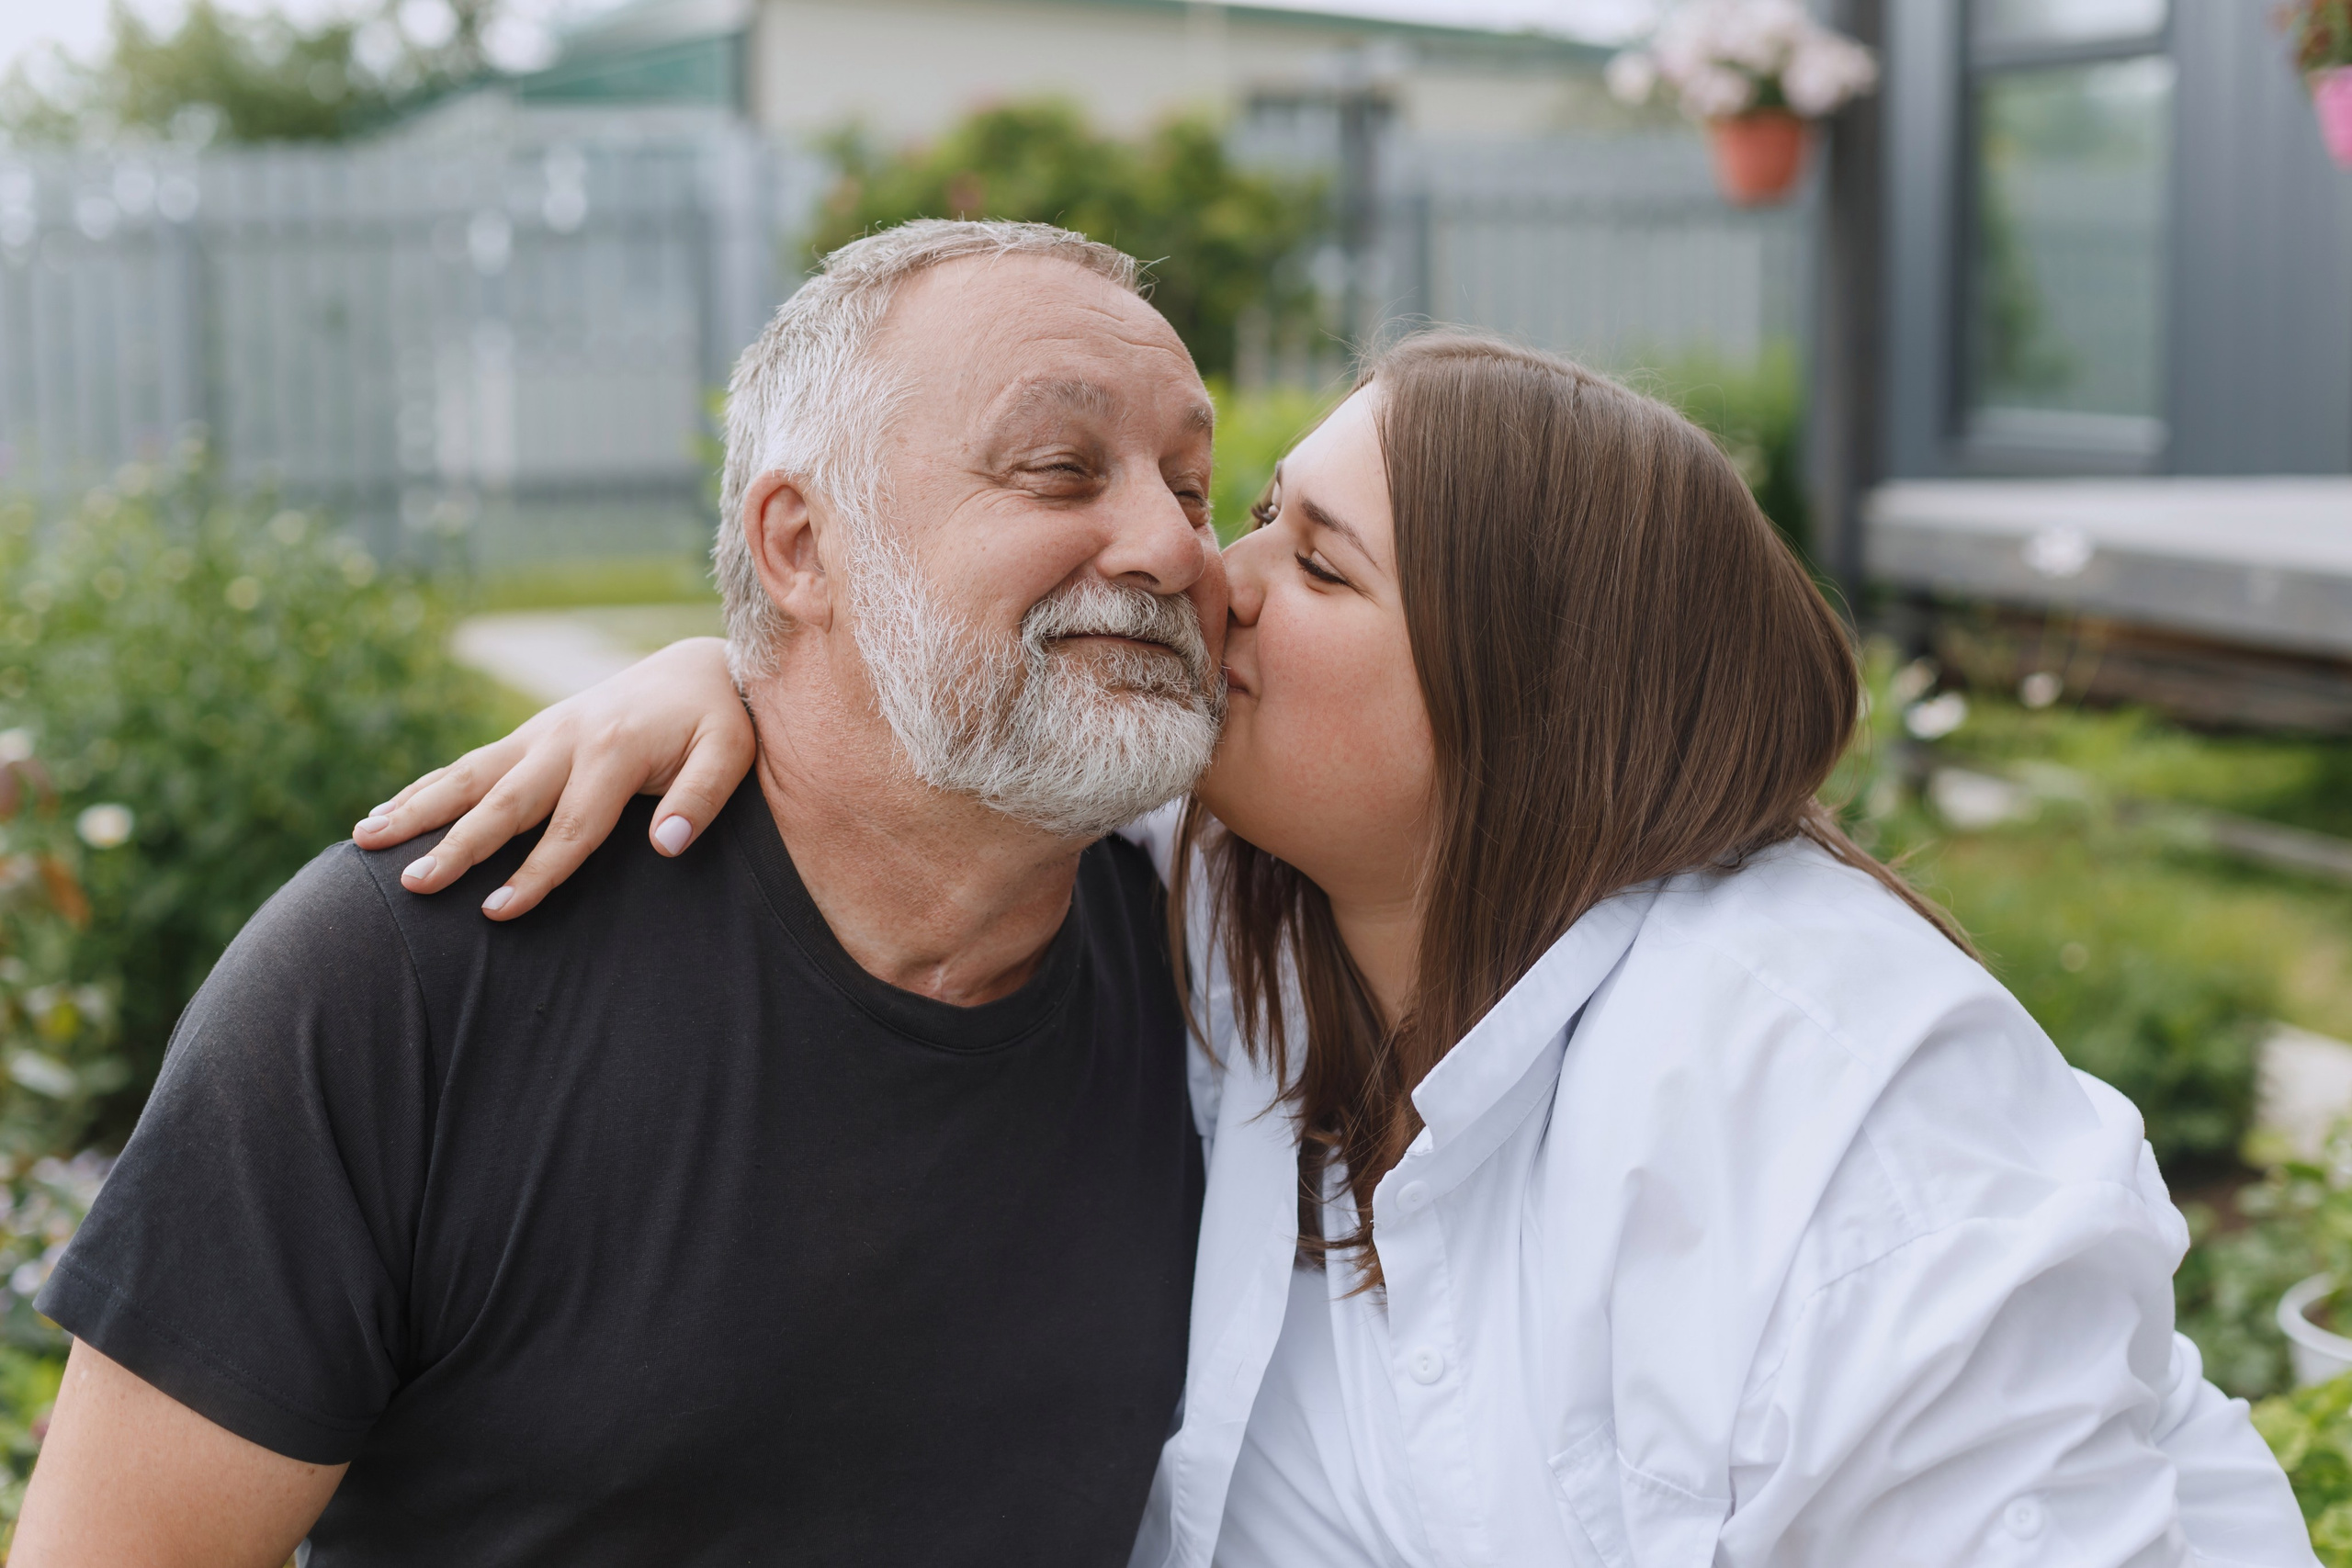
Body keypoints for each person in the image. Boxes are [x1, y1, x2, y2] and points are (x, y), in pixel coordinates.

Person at [375, 333, 2321, 1566]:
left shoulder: (1838, 1107)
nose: (1190, 574)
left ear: (1528, 703)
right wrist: (722, 674)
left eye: (1308, 560)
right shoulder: (1246, 905)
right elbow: (941, 719)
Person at [13, 220, 1233, 1567]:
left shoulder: (1224, 978)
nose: (1173, 550)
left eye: (1191, 487)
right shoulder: (412, 976)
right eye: (1061, 469)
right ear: (798, 546)